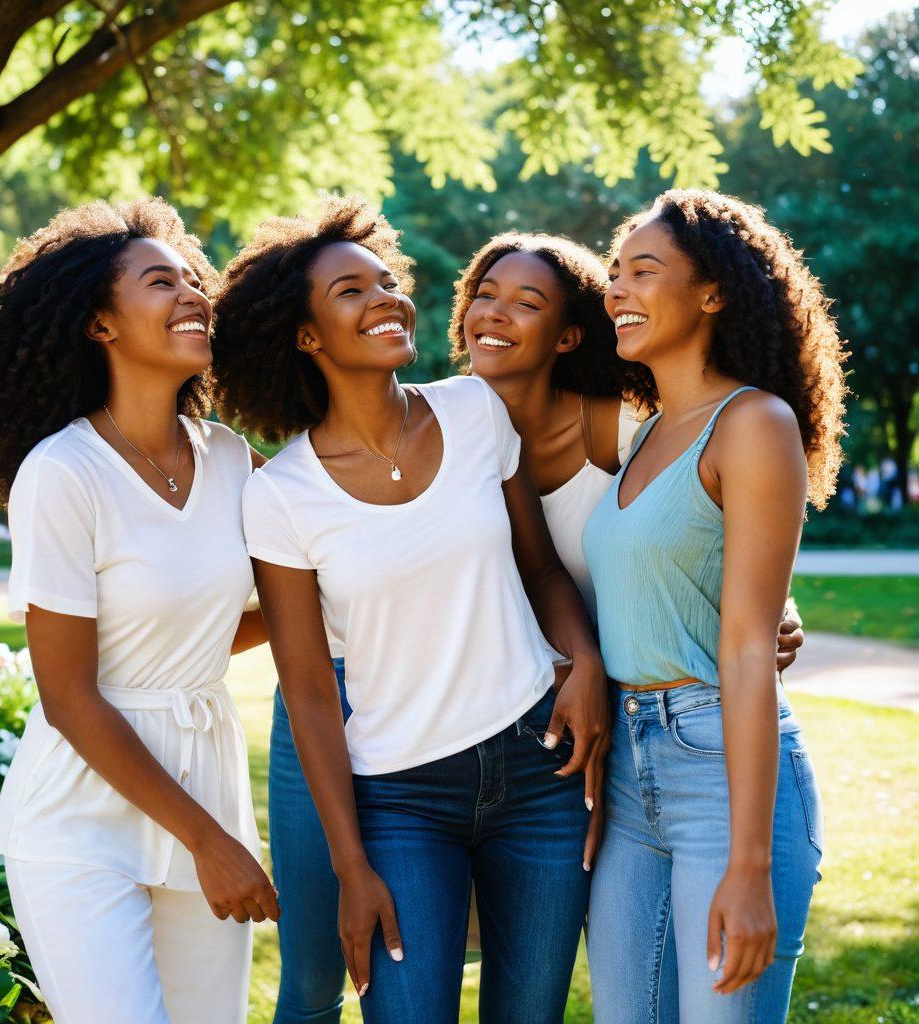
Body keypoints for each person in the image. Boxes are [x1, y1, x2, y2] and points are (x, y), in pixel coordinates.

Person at [213, 194, 608, 1024]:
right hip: (398, 797)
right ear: (306, 336)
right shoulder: (282, 495)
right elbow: (312, 691)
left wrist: (587, 664)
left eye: (387, 281)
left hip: (540, 770)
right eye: (351, 292)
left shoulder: (474, 410)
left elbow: (540, 569)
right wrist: (350, 867)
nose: (387, 298)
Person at [0, 198, 275, 1024]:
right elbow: (69, 696)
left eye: (192, 281)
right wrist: (210, 842)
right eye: (159, 281)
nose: (191, 295)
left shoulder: (235, 463)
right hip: (83, 818)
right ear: (100, 323)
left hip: (202, 778)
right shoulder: (63, 473)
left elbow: (206, 628)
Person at [450, 231, 806, 859]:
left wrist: (776, 604)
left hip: (622, 717)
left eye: (529, 303)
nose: (497, 313)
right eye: (485, 295)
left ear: (568, 335)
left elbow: (703, 516)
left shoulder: (624, 429)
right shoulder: (439, 434)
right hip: (494, 715)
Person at [583, 189, 847, 1023]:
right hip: (628, 774)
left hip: (719, 773)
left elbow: (745, 650)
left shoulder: (753, 423)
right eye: (614, 274)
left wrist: (749, 863)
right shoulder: (641, 433)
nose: (617, 289)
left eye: (643, 271)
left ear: (714, 291)